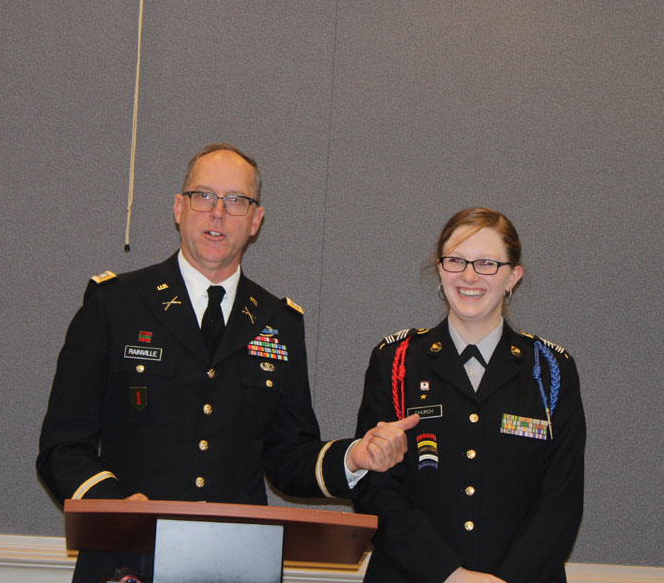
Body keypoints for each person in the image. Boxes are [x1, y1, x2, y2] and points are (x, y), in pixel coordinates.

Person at [38, 143, 417, 582]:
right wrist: (116, 505)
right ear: (179, 208)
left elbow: (287, 456)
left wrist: (354, 456)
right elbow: (63, 447)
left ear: (256, 220)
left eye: (236, 200)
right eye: (203, 196)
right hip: (127, 560)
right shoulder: (115, 304)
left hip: (237, 565)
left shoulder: (279, 322)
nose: (218, 213)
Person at [353, 207, 585, 583]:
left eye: (487, 263)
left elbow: (561, 501)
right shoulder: (396, 362)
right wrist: (452, 576)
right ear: (439, 269)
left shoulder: (551, 370)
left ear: (513, 276)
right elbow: (375, 489)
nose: (469, 276)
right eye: (456, 260)